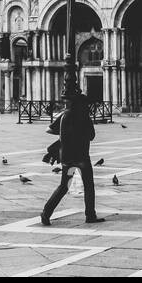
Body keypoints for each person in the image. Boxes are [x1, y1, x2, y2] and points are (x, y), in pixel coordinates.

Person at [40, 96, 104, 226]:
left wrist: (64, 133)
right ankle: (90, 215)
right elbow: (91, 136)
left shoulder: (65, 115)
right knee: (88, 186)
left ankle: (46, 213)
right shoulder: (84, 116)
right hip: (82, 157)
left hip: (67, 157)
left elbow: (49, 129)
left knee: (64, 186)